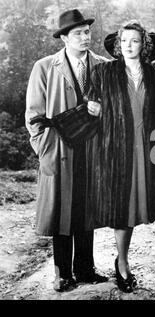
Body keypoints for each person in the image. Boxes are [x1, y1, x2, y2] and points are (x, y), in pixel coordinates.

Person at [25, 9, 108, 292]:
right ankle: (62, 272)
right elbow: (34, 115)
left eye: (87, 32)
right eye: (77, 34)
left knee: (87, 208)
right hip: (58, 150)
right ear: (63, 38)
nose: (85, 38)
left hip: (92, 147)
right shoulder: (46, 67)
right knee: (61, 208)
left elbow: (117, 107)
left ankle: (86, 269)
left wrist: (103, 110)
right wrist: (45, 149)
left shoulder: (103, 66)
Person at [86, 21, 155, 293]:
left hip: (147, 147)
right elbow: (90, 104)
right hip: (115, 148)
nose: (129, 45)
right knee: (121, 206)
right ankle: (123, 263)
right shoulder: (103, 72)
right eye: (125, 41)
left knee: (137, 205)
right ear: (118, 45)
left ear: (144, 45)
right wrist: (91, 105)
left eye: (135, 41)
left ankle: (122, 256)